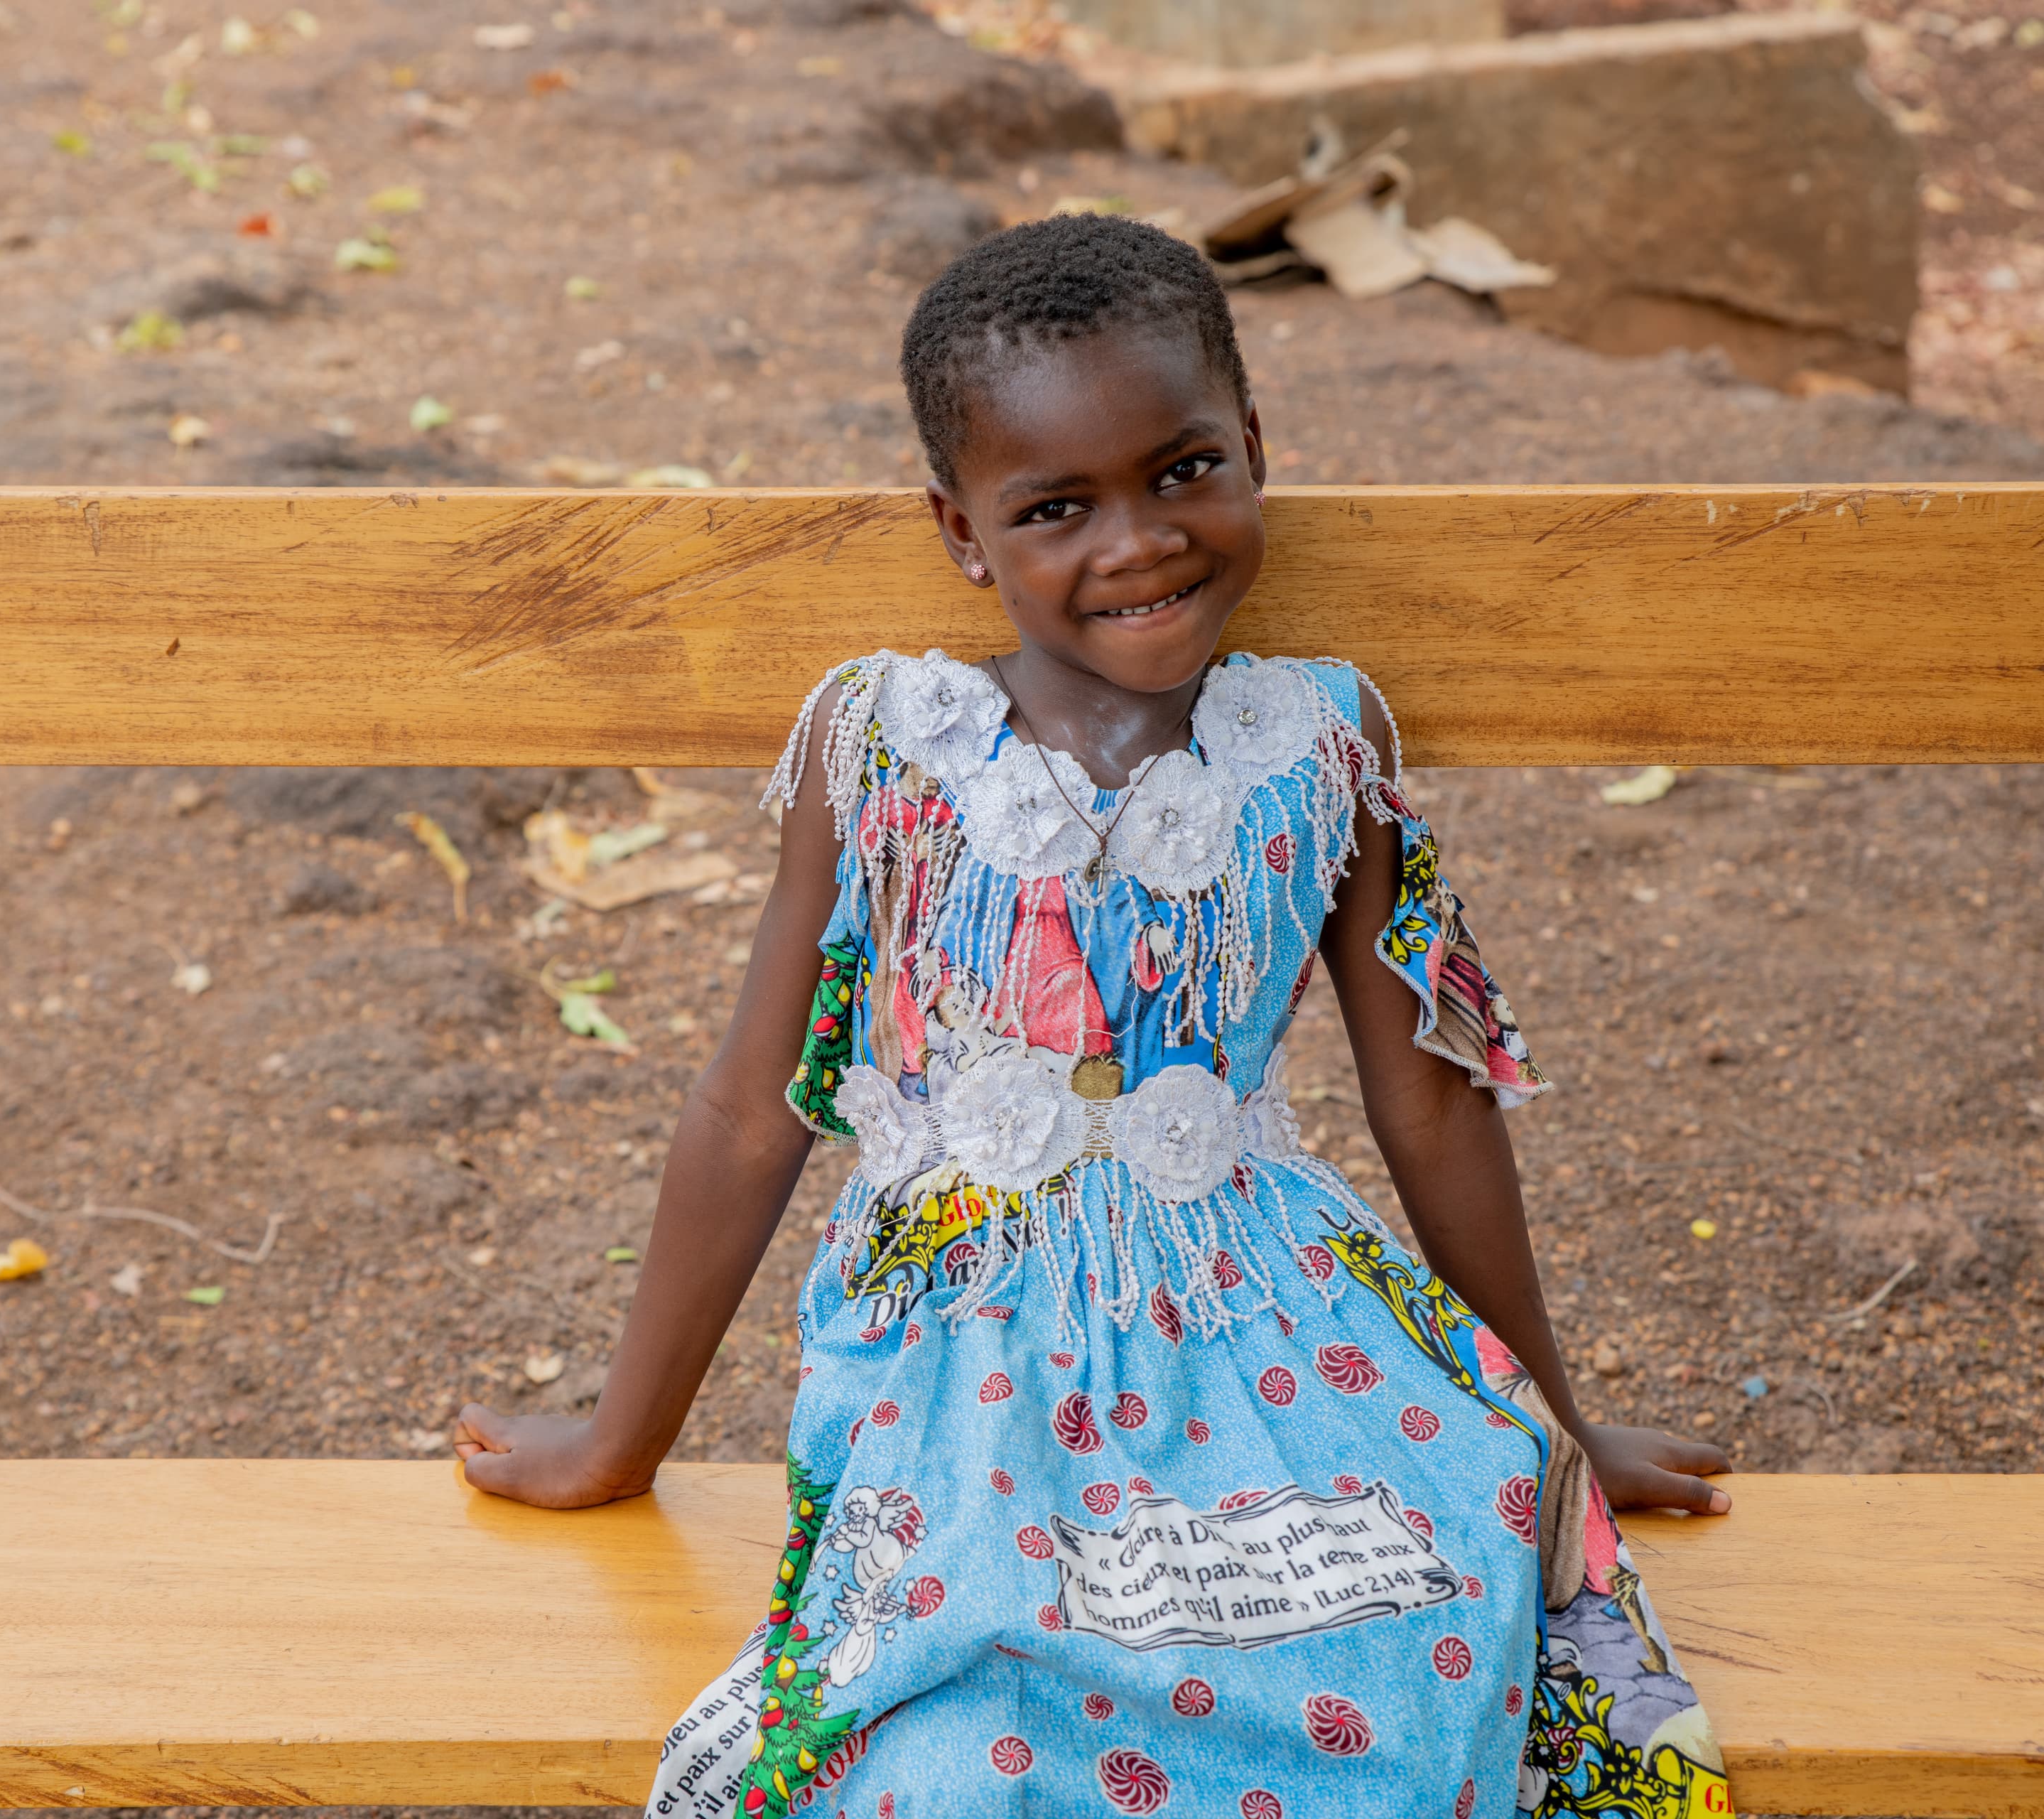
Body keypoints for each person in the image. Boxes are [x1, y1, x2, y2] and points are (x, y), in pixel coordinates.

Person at [455, 213, 1736, 1819]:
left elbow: (1434, 1101)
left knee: (1423, 1637)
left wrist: (1552, 1420)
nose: (1136, 541)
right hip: (966, 1341)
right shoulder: (887, 744)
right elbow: (753, 1102)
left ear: (1253, 448)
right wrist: (617, 1441)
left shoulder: (1327, 744)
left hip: (1275, 1325)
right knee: (972, 1695)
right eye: (1057, 506)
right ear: (965, 532)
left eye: (1183, 470)